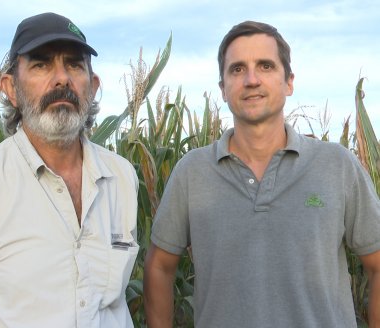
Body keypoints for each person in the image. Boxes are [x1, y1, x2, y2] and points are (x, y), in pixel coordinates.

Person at [143, 20, 380, 327]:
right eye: (237, 69)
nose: (251, 79)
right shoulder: (192, 171)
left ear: (289, 81)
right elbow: (159, 267)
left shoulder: (337, 166)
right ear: (223, 89)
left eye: (265, 66)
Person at [0, 12, 139, 328]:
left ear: (91, 87)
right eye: (41, 65)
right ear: (10, 88)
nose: (62, 78)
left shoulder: (122, 177)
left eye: (74, 65)